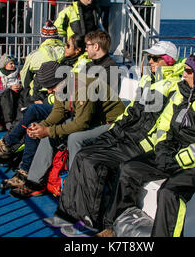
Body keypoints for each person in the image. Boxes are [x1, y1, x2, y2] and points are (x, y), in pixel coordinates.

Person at [93, 44, 195, 238]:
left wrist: (176, 160)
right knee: (129, 168)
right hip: (172, 155)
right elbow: (164, 126)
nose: (184, 75)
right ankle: (115, 226)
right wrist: (162, 149)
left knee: (170, 192)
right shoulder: (182, 94)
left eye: (188, 71)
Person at [42, 42, 185, 236]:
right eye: (149, 57)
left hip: (141, 144)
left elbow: (157, 125)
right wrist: (116, 129)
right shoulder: (149, 80)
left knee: (94, 162)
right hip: (126, 134)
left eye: (155, 58)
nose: (150, 61)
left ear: (169, 60)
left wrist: (133, 139)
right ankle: (67, 212)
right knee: (83, 154)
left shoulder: (174, 86)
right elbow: (133, 112)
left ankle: (90, 218)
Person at [0, 34, 88, 189]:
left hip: (76, 113)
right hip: (65, 106)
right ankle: (11, 151)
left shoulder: (82, 66)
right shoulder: (65, 62)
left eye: (68, 46)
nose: (63, 48)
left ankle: (12, 154)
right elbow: (59, 96)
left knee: (36, 116)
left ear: (77, 50)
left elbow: (77, 111)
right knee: (33, 119)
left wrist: (45, 107)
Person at [7, 60, 126, 199]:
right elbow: (59, 111)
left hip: (113, 123)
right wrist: (43, 126)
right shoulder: (63, 85)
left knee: (75, 138)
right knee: (48, 133)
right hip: (94, 119)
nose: (49, 91)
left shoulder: (83, 87)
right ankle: (35, 182)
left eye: (51, 86)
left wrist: (48, 130)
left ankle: (73, 185)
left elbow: (82, 124)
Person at [0, 54, 22, 130]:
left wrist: (20, 86)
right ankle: (8, 121)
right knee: (8, 92)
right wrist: (9, 88)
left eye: (13, 63)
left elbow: (22, 83)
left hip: (17, 94)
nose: (13, 65)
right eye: (11, 64)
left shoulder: (18, 74)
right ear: (4, 65)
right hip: (3, 97)